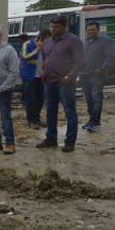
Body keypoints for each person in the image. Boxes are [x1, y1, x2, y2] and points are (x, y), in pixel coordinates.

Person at [36, 16, 85, 152]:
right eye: (51, 27)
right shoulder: (48, 42)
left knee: (69, 111)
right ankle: (51, 138)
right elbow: (44, 58)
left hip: (65, 82)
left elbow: (80, 61)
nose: (53, 29)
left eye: (56, 27)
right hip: (49, 81)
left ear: (64, 26)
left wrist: (70, 75)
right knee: (50, 111)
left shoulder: (73, 41)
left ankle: (70, 141)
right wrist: (42, 69)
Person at [80, 20, 115, 132]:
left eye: (93, 30)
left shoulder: (105, 41)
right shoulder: (85, 43)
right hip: (84, 74)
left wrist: (103, 68)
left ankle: (93, 122)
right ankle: (94, 121)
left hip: (97, 74)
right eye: (89, 30)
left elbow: (111, 56)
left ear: (98, 30)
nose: (91, 32)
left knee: (96, 98)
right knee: (88, 99)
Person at [19, 31, 45, 128]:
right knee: (31, 99)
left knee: (40, 99)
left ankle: (37, 118)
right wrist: (37, 49)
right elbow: (25, 56)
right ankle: (31, 120)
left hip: (40, 75)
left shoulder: (46, 47)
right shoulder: (28, 44)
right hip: (29, 75)